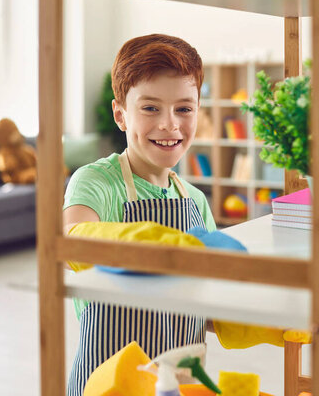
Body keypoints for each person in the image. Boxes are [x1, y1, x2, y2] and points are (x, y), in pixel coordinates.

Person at [62, 33, 216, 395]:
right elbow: (74, 243)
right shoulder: (97, 182)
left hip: (178, 382)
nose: (170, 125)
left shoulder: (194, 200)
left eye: (184, 108)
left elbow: (209, 298)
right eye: (150, 108)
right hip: (108, 382)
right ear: (121, 115)